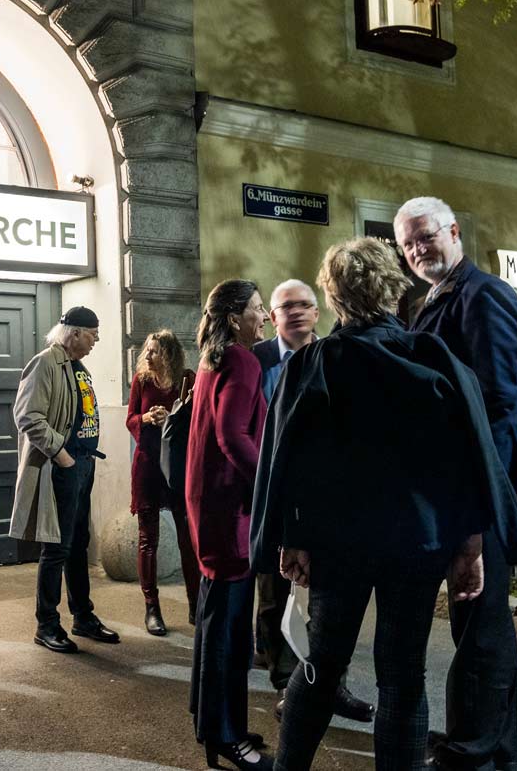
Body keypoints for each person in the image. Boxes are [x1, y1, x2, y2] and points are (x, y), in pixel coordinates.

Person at [250, 237, 517, 771]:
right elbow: (466, 464)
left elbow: (290, 463)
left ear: (332, 296)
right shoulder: (434, 360)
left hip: (339, 545)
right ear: (393, 287)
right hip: (417, 544)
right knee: (404, 676)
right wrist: (469, 546)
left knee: (321, 666)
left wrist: (290, 541)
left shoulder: (315, 362)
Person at [395, 197, 517, 771]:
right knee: (477, 620)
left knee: (480, 623)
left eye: (426, 237)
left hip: (485, 487)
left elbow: (497, 407)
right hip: (458, 486)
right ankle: (490, 747)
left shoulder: (484, 295)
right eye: (408, 244)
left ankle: (474, 751)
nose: (417, 250)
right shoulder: (430, 298)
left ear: (453, 231)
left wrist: (480, 513)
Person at [251, 280, 374, 724]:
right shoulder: (258, 362)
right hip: (277, 499)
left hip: (326, 508)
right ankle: (288, 687)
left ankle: (331, 685)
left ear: (318, 312)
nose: (298, 312)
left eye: (305, 304)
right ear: (273, 316)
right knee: (275, 597)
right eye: (288, 306)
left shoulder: (336, 355)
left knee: (325, 606)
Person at [185, 280, 274, 771]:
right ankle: (227, 735)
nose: (264, 318)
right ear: (236, 315)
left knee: (215, 621)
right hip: (231, 514)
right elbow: (232, 435)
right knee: (230, 632)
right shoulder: (242, 360)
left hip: (211, 508)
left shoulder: (213, 359)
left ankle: (215, 725)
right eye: (258, 309)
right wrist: (267, 486)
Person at [8, 307, 118, 653]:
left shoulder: (76, 365)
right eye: (93, 335)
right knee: (56, 547)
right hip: (63, 466)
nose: (95, 342)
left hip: (83, 465)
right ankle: (47, 624)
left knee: (77, 543)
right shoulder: (45, 363)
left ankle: (83, 616)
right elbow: (27, 415)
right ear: (74, 333)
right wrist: (63, 455)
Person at [125, 329, 198, 636]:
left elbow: (196, 421)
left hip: (178, 465)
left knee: (188, 539)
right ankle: (151, 608)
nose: (148, 356)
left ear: (169, 354)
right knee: (147, 539)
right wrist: (145, 418)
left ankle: (197, 606)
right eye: (148, 351)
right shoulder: (141, 381)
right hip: (147, 464)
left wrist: (171, 417)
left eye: (154, 351)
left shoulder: (188, 379)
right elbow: (130, 419)